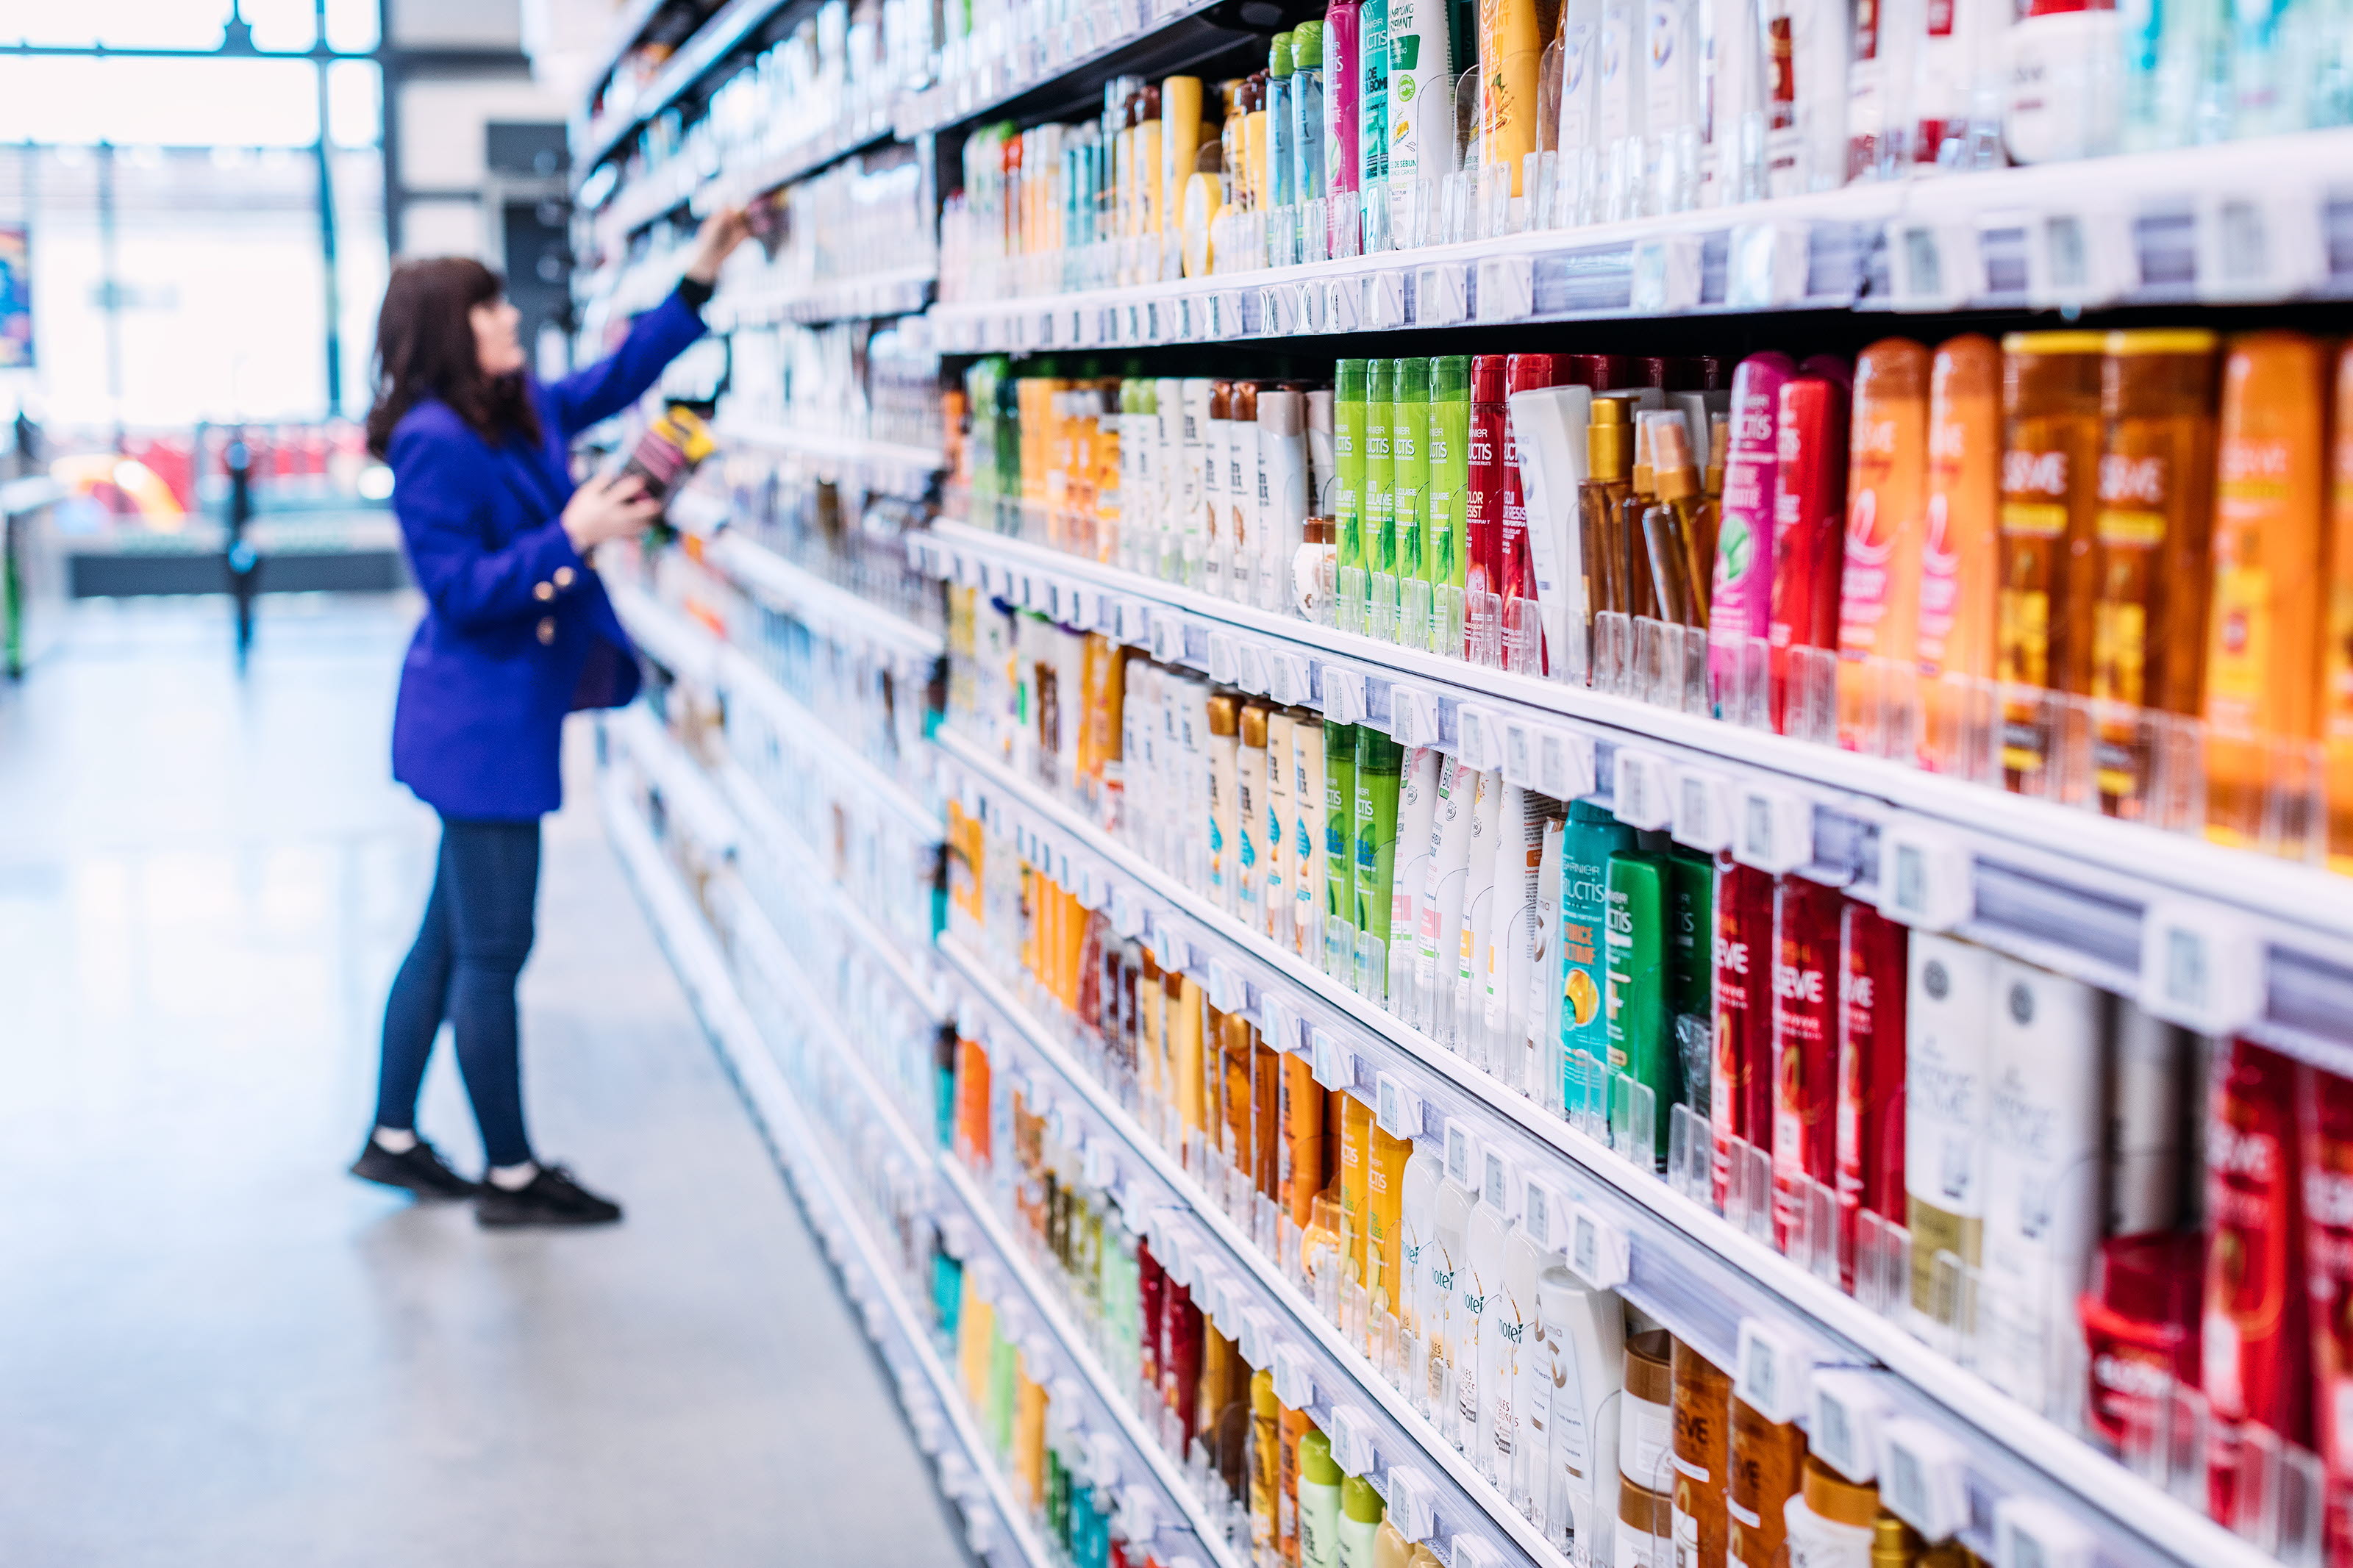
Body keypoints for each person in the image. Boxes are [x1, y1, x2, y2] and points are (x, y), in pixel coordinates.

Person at [349, 207, 750, 1227]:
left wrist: (701, 274)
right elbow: (463, 590)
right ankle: (513, 1176)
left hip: (496, 718)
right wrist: (573, 534)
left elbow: (611, 383)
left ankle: (392, 1138)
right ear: (452, 327)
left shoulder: (507, 406)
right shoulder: (434, 442)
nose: (507, 314)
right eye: (487, 304)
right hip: (475, 730)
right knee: (493, 952)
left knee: (448, 936)